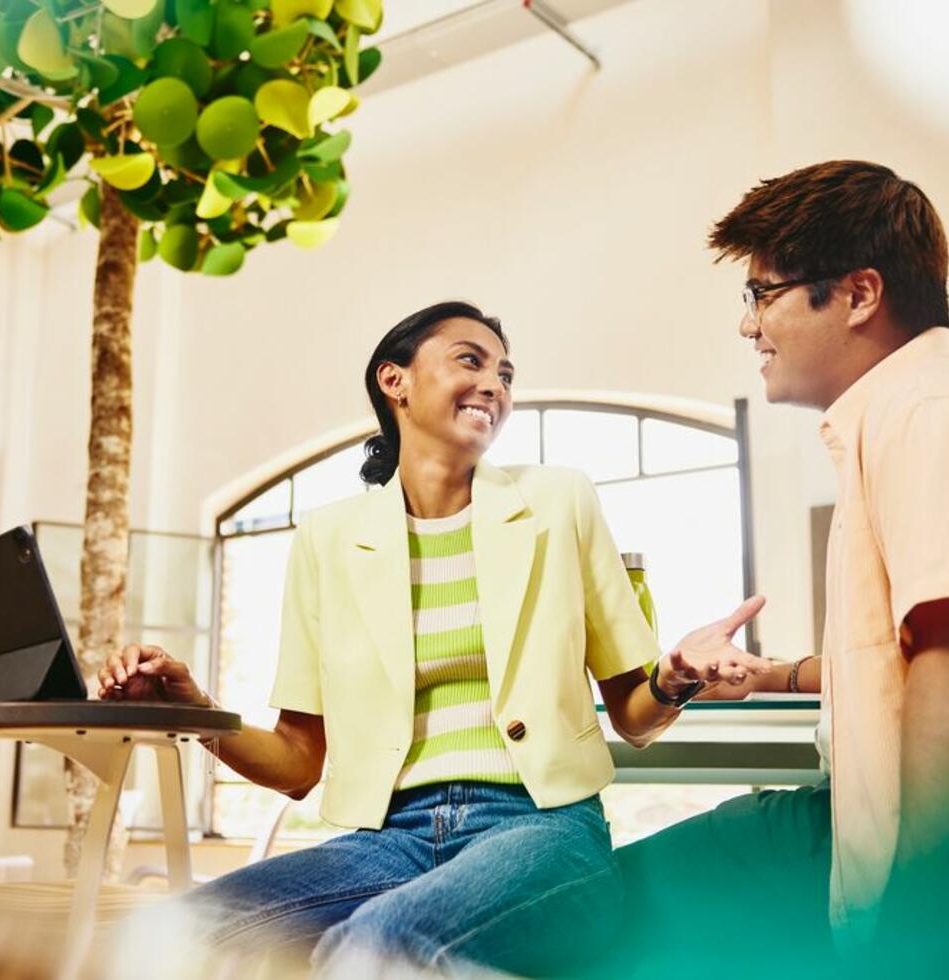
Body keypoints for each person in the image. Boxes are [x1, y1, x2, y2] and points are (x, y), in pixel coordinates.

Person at [100, 301, 770, 976]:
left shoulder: (557, 501)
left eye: (505, 374)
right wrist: (190, 710)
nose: (495, 386)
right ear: (395, 381)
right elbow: (298, 763)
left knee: (378, 944)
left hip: (539, 827)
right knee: (168, 933)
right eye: (470, 361)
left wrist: (674, 676)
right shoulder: (329, 539)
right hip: (385, 839)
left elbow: (632, 714)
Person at [616, 160, 949, 977]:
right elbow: (900, 655)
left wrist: (916, 909)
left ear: (858, 294)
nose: (748, 327)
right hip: (847, 826)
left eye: (762, 294)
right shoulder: (894, 412)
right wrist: (770, 674)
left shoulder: (920, 408)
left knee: (603, 907)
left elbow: (944, 659)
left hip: (908, 876)